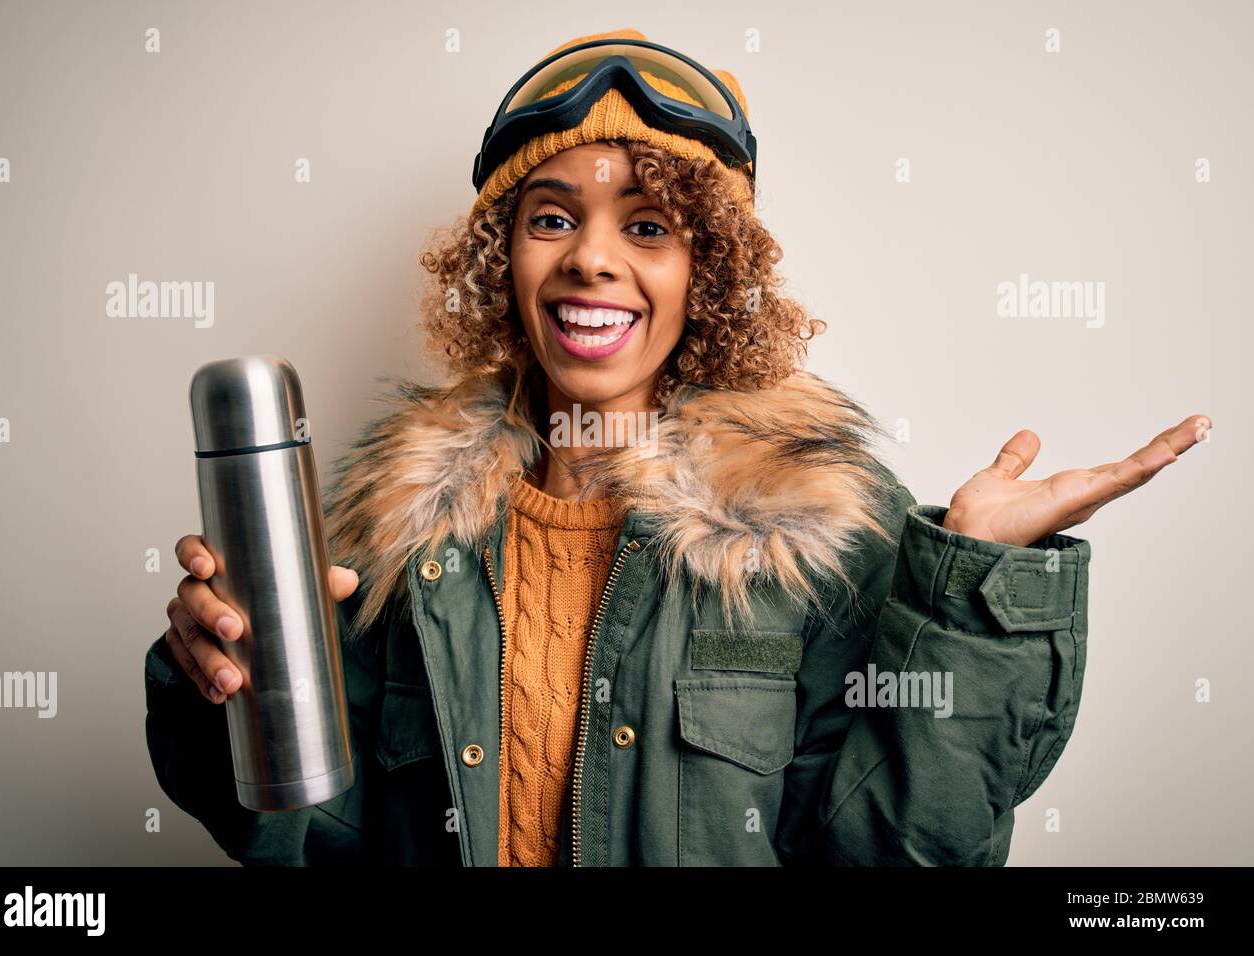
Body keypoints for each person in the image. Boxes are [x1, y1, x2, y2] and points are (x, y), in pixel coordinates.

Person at [144, 28, 1211, 866]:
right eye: (551, 218)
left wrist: (972, 594)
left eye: (648, 226)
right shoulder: (393, 530)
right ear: (501, 255)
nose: (593, 260)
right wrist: (220, 693)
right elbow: (322, 842)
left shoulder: (815, 525)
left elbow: (896, 852)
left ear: (708, 270)